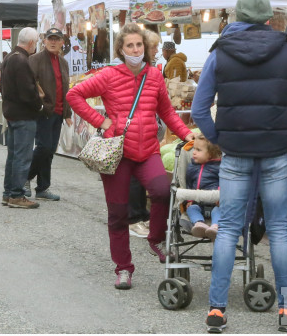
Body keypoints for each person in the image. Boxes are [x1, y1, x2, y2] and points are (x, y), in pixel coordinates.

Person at [191, 0, 287, 333]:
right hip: (276, 152)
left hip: (234, 153)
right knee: (278, 231)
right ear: (267, 19)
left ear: (235, 17)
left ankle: (216, 311)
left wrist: (220, 138)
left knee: (228, 229)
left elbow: (199, 109)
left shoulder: (219, 53)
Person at [66, 23, 194, 290]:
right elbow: (73, 94)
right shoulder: (109, 75)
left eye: (139, 45)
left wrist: (187, 135)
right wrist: (102, 123)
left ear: (145, 49)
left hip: (147, 149)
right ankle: (123, 268)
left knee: (161, 191)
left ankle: (155, 239)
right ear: (121, 50)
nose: (135, 49)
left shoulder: (154, 75)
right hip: (117, 152)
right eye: (130, 46)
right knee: (118, 212)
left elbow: (168, 113)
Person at [25, 28, 73, 201]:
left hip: (58, 113)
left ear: (62, 42)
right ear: (43, 41)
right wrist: (39, 107)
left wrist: (67, 113)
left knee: (50, 150)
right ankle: (25, 177)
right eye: (50, 39)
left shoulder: (63, 62)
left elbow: (66, 89)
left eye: (56, 39)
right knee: (43, 147)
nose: (53, 42)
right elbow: (30, 86)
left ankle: (42, 188)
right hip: (43, 111)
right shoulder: (35, 59)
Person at [0, 27, 43, 209]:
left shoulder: (9, 58)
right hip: (24, 115)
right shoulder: (22, 60)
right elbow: (27, 92)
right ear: (32, 43)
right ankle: (16, 194)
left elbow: (4, 88)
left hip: (11, 113)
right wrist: (39, 104)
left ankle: (8, 193)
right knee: (22, 157)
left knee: (13, 155)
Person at [127, 29, 162, 238]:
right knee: (133, 176)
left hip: (145, 130)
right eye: (155, 47)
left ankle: (140, 213)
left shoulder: (149, 70)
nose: (157, 50)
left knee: (139, 176)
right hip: (133, 131)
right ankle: (133, 218)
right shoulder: (134, 71)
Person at [184, 133, 222, 241]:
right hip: (198, 202)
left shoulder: (219, 167)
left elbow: (223, 182)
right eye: (194, 149)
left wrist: (220, 196)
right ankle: (199, 224)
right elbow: (189, 183)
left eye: (198, 150)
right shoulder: (192, 167)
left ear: (211, 153)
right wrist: (190, 199)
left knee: (219, 210)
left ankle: (215, 226)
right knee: (191, 209)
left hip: (216, 202)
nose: (194, 152)